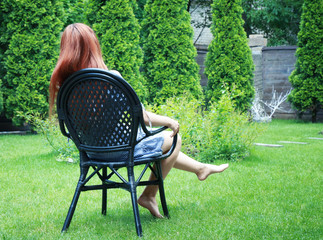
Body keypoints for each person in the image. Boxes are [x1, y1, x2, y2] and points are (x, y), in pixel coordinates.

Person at [49, 23, 229, 218]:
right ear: (93, 46)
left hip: (92, 153)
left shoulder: (64, 87)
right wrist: (169, 120)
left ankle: (201, 168)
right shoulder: (110, 79)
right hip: (122, 151)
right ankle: (149, 196)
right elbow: (141, 116)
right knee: (174, 138)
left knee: (162, 142)